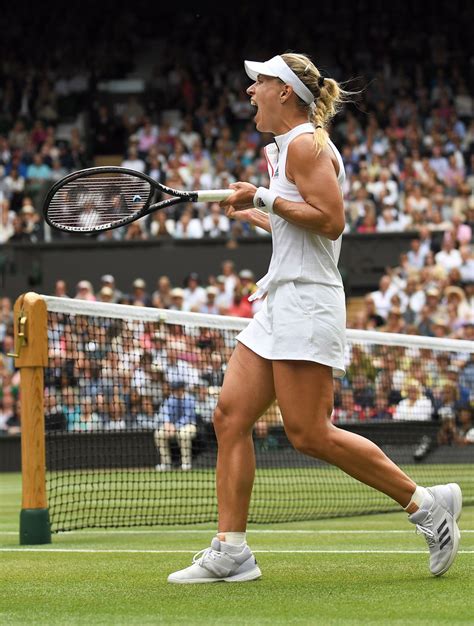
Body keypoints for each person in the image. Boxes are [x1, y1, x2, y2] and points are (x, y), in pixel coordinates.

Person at [168, 53, 462, 584]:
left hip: (307, 304)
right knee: (231, 417)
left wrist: (261, 196)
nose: (250, 90)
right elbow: (299, 230)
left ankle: (425, 507)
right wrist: (259, 213)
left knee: (309, 433)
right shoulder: (283, 150)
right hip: (280, 299)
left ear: (284, 91)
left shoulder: (306, 144)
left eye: (259, 82)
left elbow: (330, 222)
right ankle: (231, 550)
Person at [154, 380, 197, 471]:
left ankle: (186, 463)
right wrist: (167, 424)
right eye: (175, 389)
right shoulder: (170, 399)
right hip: (171, 427)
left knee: (183, 434)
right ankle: (166, 463)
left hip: (189, 425)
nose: (177, 391)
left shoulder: (190, 399)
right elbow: (165, 413)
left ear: (183, 389)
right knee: (159, 434)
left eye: (179, 389)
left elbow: (187, 417)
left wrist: (175, 426)